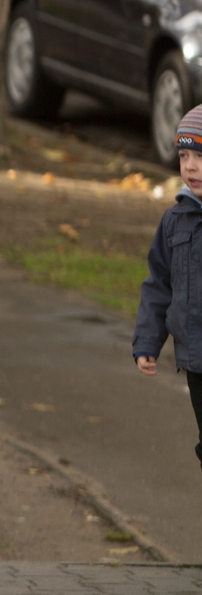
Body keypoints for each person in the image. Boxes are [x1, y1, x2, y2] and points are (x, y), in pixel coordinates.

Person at [134, 107, 202, 467]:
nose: (190, 167)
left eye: (200, 157)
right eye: (184, 156)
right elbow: (159, 284)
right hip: (196, 360)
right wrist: (148, 341)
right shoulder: (175, 220)